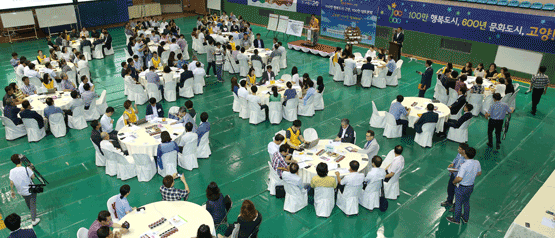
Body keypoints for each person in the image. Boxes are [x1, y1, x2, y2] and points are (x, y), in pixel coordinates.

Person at [446, 147, 481, 225]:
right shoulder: (477, 162)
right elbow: (479, 173)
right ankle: (465, 218)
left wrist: (454, 182)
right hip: (470, 186)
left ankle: (456, 219)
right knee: (466, 202)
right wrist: (470, 175)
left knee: (458, 203)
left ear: (465, 154)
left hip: (462, 187)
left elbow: (459, 178)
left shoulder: (464, 165)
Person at [9, 154, 40, 226]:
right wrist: (31, 168)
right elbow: (33, 177)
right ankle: (34, 220)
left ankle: (32, 212)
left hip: (21, 191)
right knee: (33, 204)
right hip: (31, 190)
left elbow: (11, 182)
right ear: (21, 161)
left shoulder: (11, 171)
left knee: (27, 201)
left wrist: (12, 191)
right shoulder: (26, 169)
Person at [440, 143, 468, 208]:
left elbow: (463, 170)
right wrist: (452, 164)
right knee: (450, 189)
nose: (458, 150)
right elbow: (456, 159)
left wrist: (455, 170)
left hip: (459, 178)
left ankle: (456, 206)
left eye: (460, 149)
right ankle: (449, 201)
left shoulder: (466, 159)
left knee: (458, 193)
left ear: (464, 150)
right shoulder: (459, 154)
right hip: (453, 175)